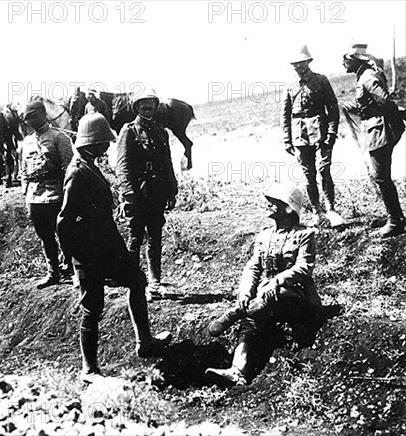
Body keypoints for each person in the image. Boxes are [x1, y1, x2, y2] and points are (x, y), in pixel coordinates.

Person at [57, 113, 172, 383]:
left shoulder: (90, 166)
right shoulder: (77, 171)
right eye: (103, 142)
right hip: (89, 249)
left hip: (107, 242)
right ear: (93, 142)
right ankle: (89, 369)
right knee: (92, 306)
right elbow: (64, 219)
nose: (108, 146)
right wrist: (68, 254)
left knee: (137, 280)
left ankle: (144, 341)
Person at [204, 184, 324, 386]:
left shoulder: (305, 235)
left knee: (275, 294)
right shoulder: (264, 235)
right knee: (252, 316)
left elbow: (304, 268)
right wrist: (244, 293)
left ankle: (233, 314)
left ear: (288, 208)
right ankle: (237, 370)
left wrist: (276, 282)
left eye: (275, 203)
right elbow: (253, 267)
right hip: (265, 301)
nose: (269, 205)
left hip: (296, 298)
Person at [116, 90, 178, 299]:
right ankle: (133, 282)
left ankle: (154, 282)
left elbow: (167, 162)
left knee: (155, 236)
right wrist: (128, 194)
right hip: (137, 193)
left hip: (156, 192)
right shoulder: (129, 131)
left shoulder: (161, 131)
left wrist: (172, 190)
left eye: (151, 103)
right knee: (135, 237)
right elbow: (123, 166)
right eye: (143, 104)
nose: (148, 107)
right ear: (136, 107)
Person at [341, 43, 406, 237]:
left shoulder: (367, 77)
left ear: (355, 60)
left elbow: (385, 102)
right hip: (377, 128)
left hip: (380, 131)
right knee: (382, 176)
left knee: (381, 177)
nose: (343, 63)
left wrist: (393, 117)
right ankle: (397, 218)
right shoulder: (365, 75)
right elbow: (372, 103)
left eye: (346, 59)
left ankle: (395, 221)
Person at [282, 45, 344, 228]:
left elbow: (333, 108)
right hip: (299, 135)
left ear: (308, 62)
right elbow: (284, 115)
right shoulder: (290, 85)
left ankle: (331, 210)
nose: (299, 68)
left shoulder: (321, 80)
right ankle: (317, 212)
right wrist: (287, 139)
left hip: (322, 132)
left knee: (324, 170)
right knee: (308, 176)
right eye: (295, 65)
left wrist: (332, 132)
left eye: (301, 63)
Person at [20, 100, 74, 288]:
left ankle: (72, 270)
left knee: (65, 234)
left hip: (55, 194)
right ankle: (53, 273)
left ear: (44, 114)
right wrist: (26, 198)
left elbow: (69, 169)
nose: (30, 121)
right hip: (35, 196)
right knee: (45, 236)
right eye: (27, 119)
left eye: (33, 116)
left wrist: (69, 196)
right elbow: (24, 173)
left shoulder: (59, 138)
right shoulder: (26, 142)